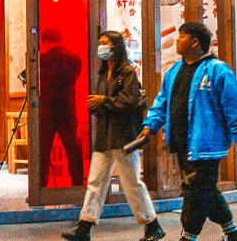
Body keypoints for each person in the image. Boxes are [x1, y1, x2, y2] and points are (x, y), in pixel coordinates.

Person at [136, 21, 237, 241]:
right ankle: (233, 234)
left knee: (194, 189)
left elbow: (234, 104)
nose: (177, 40)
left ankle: (188, 236)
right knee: (205, 190)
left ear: (195, 42)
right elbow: (162, 101)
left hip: (207, 144)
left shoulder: (217, 70)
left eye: (182, 36)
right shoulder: (174, 71)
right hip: (182, 143)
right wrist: (150, 125)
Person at [62, 32, 164, 241]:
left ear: (116, 46)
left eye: (105, 43)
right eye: (100, 43)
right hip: (104, 135)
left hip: (123, 136)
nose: (101, 47)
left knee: (132, 182)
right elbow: (102, 101)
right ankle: (84, 228)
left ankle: (152, 225)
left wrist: (102, 102)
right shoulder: (102, 73)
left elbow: (128, 101)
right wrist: (95, 105)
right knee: (95, 182)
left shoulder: (127, 72)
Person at [40, 28, 85, 187]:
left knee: (43, 152)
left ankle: (41, 187)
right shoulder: (75, 58)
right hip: (68, 108)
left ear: (46, 41)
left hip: (47, 110)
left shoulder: (42, 59)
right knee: (73, 150)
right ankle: (78, 185)